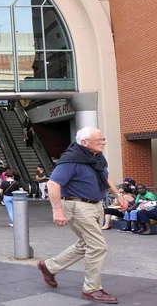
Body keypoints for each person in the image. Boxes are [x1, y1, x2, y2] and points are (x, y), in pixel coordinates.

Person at [37, 127, 128, 304]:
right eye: (99, 140)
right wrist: (57, 211)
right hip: (77, 206)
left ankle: (49, 266)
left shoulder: (97, 157)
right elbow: (53, 184)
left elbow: (105, 176)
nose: (103, 142)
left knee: (85, 244)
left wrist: (118, 195)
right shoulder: (70, 160)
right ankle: (92, 289)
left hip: (95, 205)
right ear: (85, 143)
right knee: (98, 246)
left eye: (103, 139)